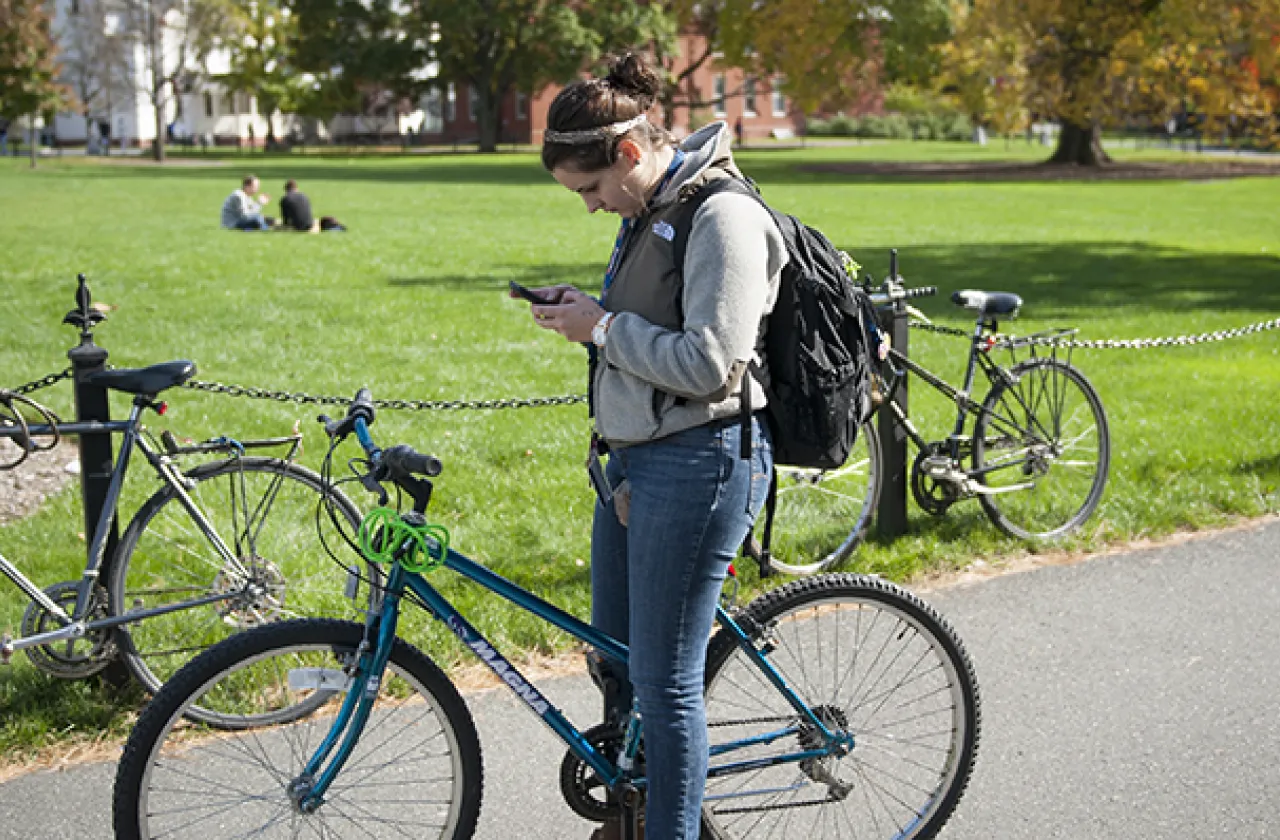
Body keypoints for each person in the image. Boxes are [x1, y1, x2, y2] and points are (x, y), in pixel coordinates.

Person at [519, 53, 785, 840]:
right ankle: (637, 819)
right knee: (616, 659)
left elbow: (710, 362)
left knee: (666, 682)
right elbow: (650, 332)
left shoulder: (723, 217)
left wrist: (601, 327)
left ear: (631, 153)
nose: (592, 208)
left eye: (592, 189)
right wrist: (592, 314)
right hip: (636, 460)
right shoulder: (651, 210)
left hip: (703, 461)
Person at [279, 179, 347, 233]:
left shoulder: (285, 199)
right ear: (296, 188)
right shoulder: (304, 196)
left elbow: (285, 220)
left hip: (298, 226)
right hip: (309, 223)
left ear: (286, 189)